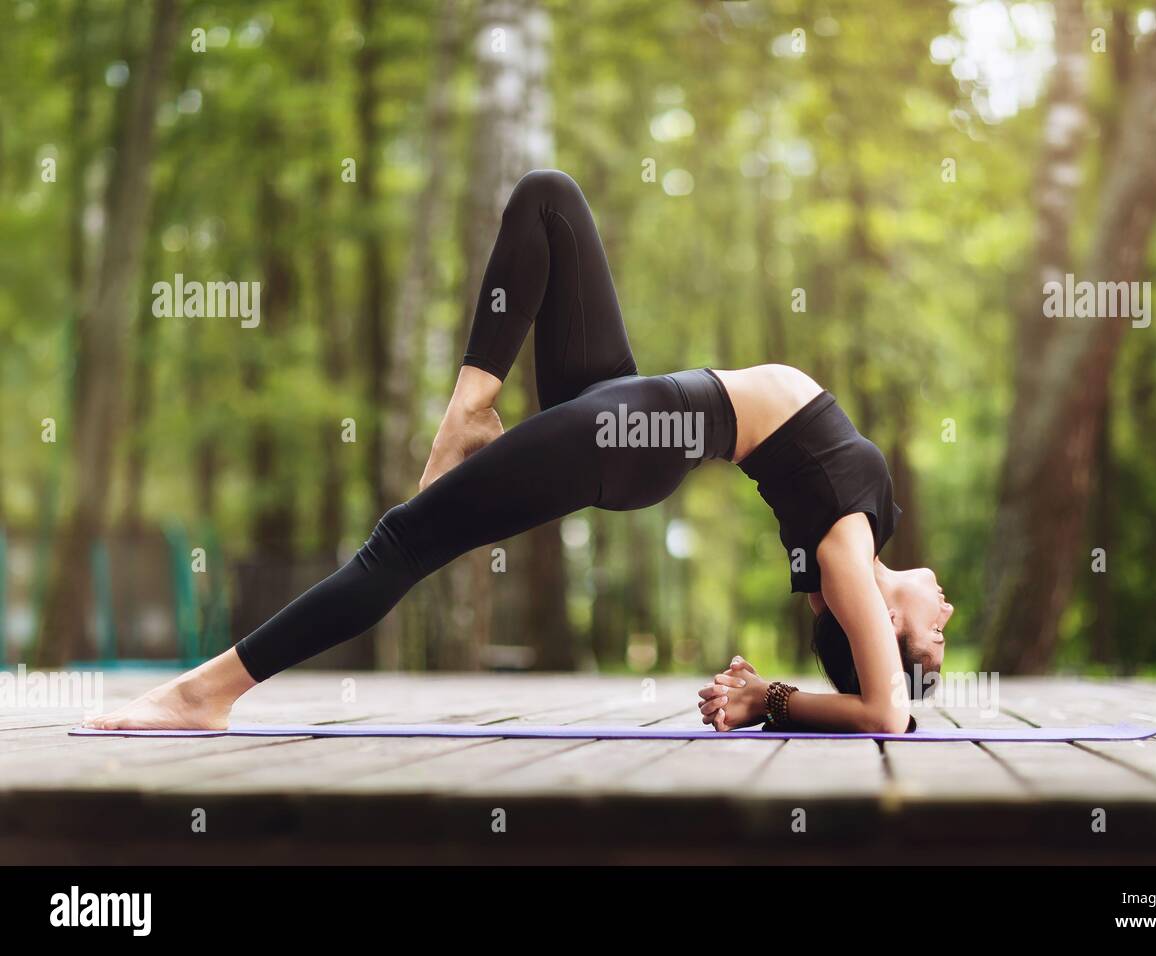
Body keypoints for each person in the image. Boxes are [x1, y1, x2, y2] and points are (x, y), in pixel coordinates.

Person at [83, 169, 950, 734]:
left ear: (888, 629)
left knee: (404, 544)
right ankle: (471, 406)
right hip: (636, 408)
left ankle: (207, 693)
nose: (946, 618)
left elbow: (885, 713)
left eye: (934, 644)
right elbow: (887, 696)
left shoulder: (846, 557)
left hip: (633, 434)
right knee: (549, 199)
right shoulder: (860, 531)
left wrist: (771, 698)